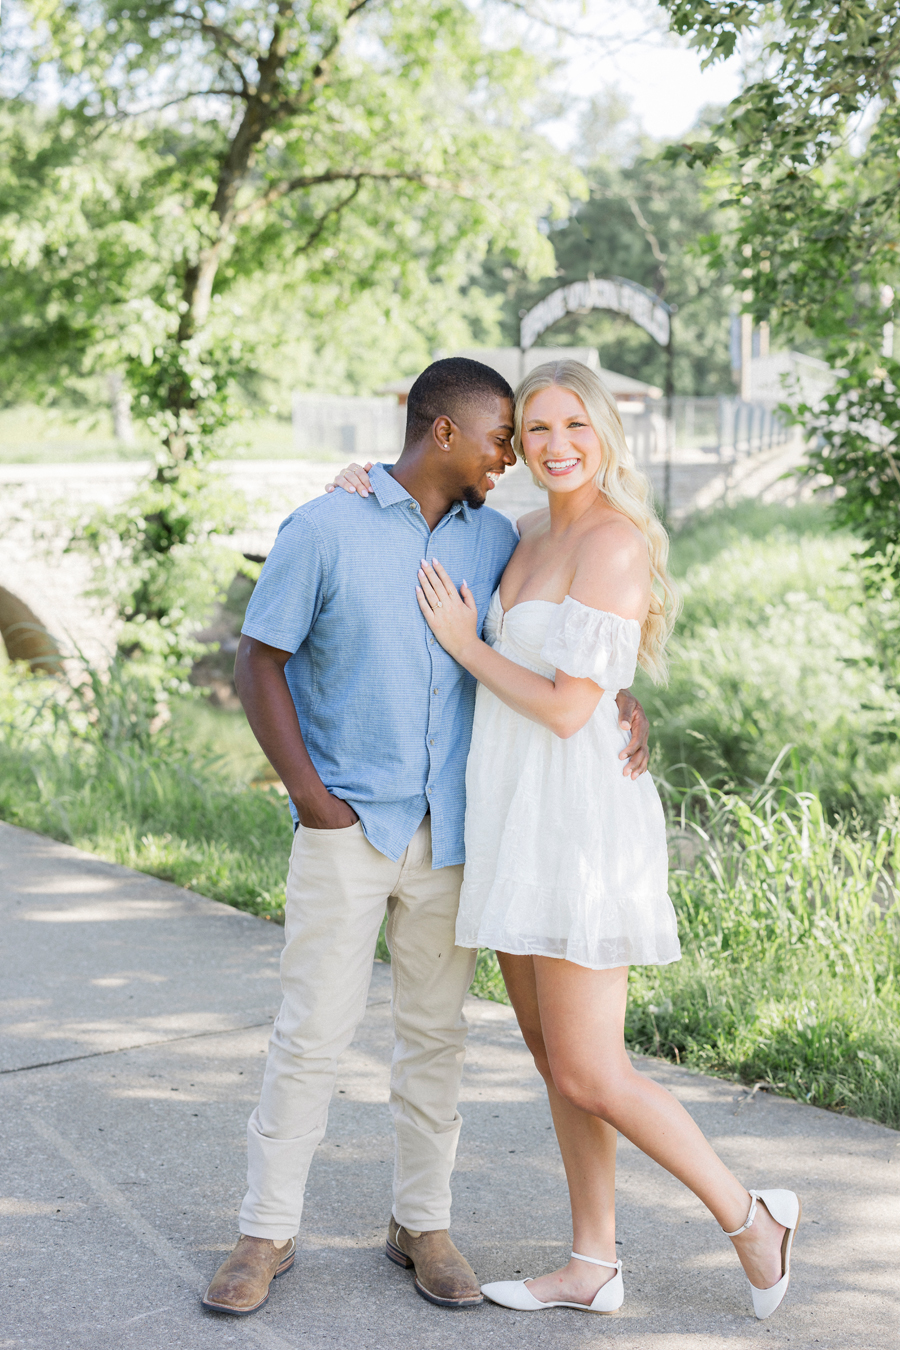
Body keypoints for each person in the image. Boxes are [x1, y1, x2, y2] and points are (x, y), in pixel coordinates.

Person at [200, 357, 651, 1318]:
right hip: (349, 824)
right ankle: (264, 1233)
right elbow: (258, 660)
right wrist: (314, 799)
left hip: (457, 836)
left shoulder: (498, 538)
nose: (516, 458)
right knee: (311, 1034)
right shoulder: (328, 524)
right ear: (443, 433)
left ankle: (423, 1225)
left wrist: (622, 698)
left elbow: (565, 636)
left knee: (435, 1040)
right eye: (504, 438)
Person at [407, 358, 801, 1321]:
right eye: (534, 430)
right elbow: (422, 525)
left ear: (606, 433)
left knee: (593, 1067)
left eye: (573, 426)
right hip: (508, 810)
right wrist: (353, 486)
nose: (555, 447)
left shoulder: (615, 542)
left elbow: (566, 705)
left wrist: (470, 646)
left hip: (576, 823)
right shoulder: (524, 530)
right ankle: (593, 1264)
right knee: (553, 1059)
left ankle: (750, 1216)